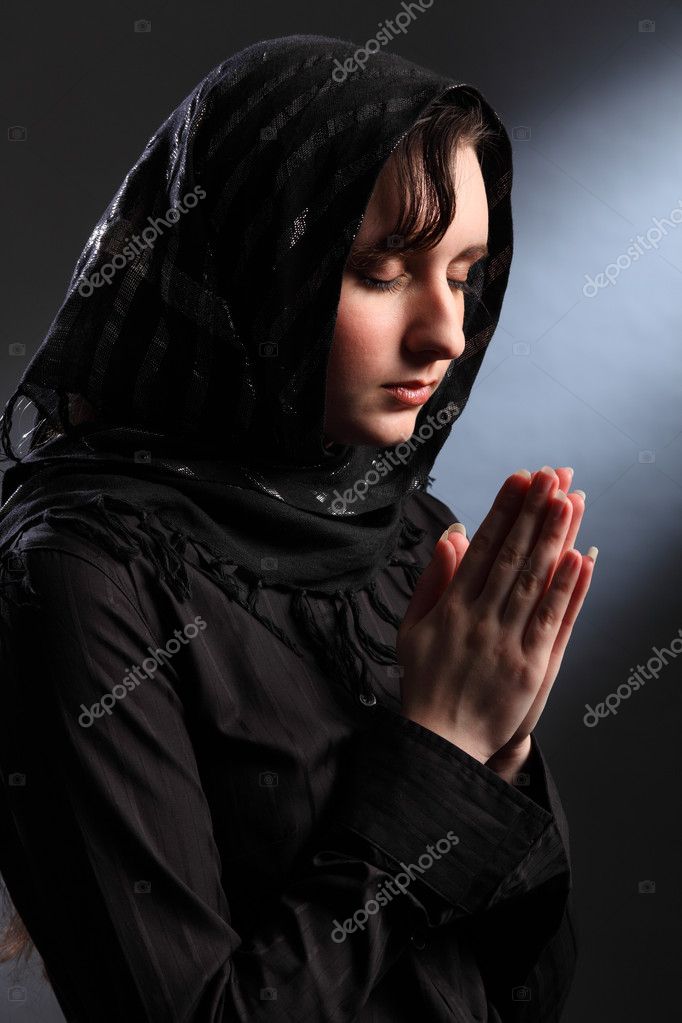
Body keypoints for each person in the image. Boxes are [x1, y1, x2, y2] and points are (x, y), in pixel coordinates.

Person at [0, 34, 595, 1022]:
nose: (446, 330)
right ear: (249, 260)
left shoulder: (407, 535)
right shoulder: (78, 579)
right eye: (383, 268)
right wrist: (440, 765)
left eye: (463, 272)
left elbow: (521, 982)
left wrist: (500, 750)